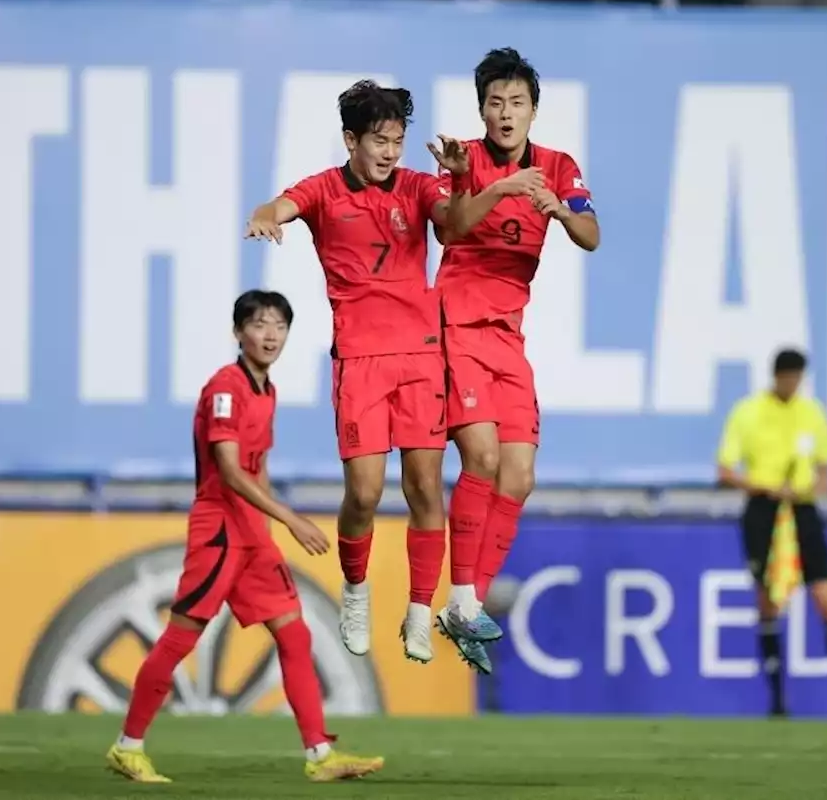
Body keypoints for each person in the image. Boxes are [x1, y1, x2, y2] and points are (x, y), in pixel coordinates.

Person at [105, 290, 384, 784]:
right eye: (259, 324)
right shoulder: (226, 389)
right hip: (219, 528)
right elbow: (231, 472)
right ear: (239, 332)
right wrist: (291, 519)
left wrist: (271, 525)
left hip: (252, 533)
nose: (270, 334)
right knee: (181, 638)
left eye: (279, 325)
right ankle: (128, 747)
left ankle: (320, 754)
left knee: (294, 632)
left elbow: (260, 466)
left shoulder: (266, 389)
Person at [245, 81, 451, 664]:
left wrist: (460, 188)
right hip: (359, 362)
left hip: (420, 356)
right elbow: (278, 206)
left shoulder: (418, 186)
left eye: (398, 141)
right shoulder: (324, 190)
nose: (390, 152)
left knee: (425, 488)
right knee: (363, 493)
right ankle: (355, 591)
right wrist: (265, 215)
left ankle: (417, 611)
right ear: (350, 139)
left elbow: (451, 219)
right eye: (379, 141)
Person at [426, 48, 600, 674]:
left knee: (519, 475)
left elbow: (591, 233)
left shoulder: (557, 167)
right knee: (483, 458)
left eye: (517, 102)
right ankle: (465, 599)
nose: (506, 113)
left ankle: (466, 606)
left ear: (533, 110)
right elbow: (451, 230)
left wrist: (559, 210)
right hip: (453, 324)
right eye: (495, 103)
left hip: (507, 337)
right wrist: (493, 184)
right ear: (482, 110)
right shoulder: (462, 159)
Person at [716, 348, 827, 719]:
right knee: (768, 600)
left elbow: (824, 473)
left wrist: (807, 489)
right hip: (763, 509)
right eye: (788, 378)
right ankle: (777, 701)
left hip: (801, 510)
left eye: (797, 378)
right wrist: (763, 485)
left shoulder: (811, 413)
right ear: (776, 377)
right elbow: (725, 470)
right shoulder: (748, 411)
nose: (792, 384)